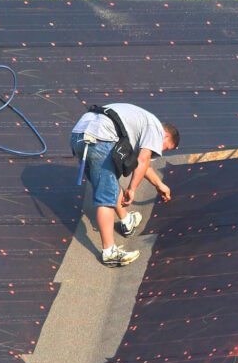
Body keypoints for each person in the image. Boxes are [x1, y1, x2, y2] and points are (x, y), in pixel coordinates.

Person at [70, 103, 179, 266]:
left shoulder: (142, 123)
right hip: (100, 139)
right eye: (166, 148)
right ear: (166, 136)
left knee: (108, 184)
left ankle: (126, 220)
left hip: (79, 136)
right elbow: (143, 160)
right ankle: (109, 252)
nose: (161, 151)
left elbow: (143, 164)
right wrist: (132, 189)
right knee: (106, 198)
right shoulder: (155, 128)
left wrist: (159, 184)